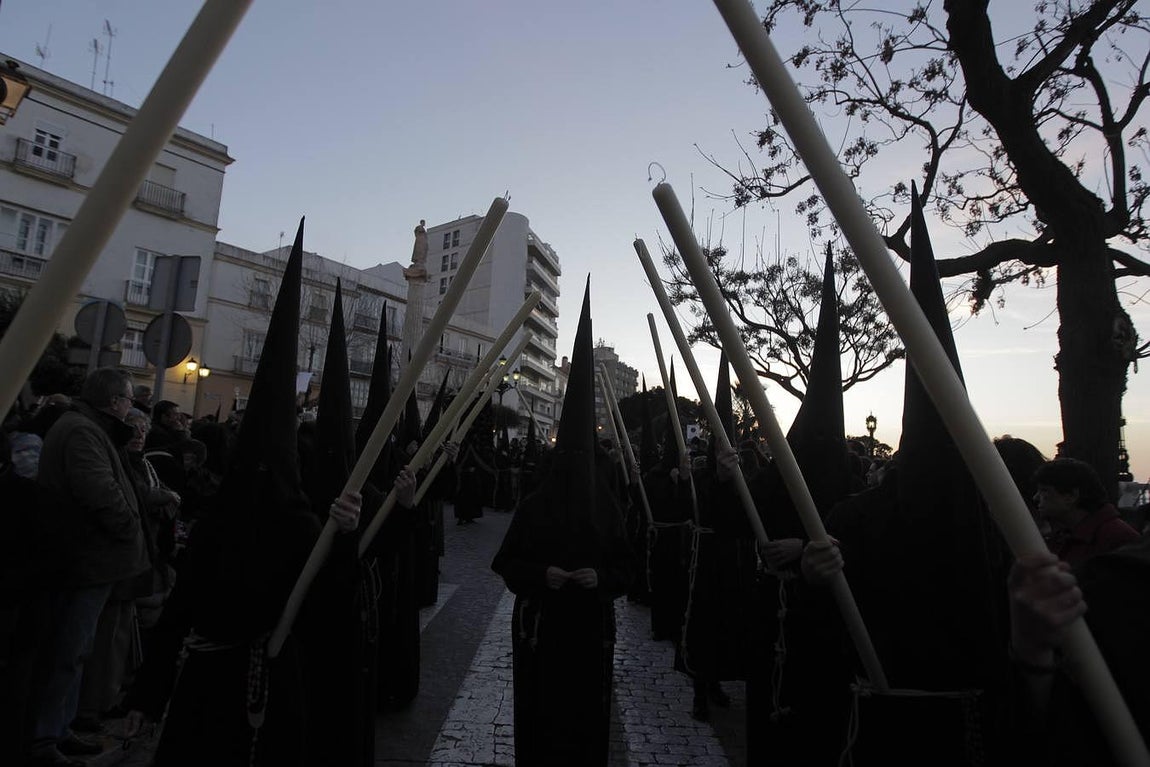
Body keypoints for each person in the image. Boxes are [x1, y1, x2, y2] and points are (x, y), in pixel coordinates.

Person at [492, 279, 633, 766]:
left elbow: (626, 568)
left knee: (585, 720)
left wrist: (602, 580)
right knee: (541, 715)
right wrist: (541, 576)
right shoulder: (535, 505)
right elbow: (506, 563)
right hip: (541, 629)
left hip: (590, 630)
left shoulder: (607, 508)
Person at [24, 367, 150, 767]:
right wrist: (130, 525)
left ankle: (58, 729)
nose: (130, 407)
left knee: (75, 651)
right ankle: (45, 738)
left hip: (89, 561)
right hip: (83, 561)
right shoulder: (82, 431)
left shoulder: (86, 427)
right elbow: (100, 492)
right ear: (114, 401)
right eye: (128, 399)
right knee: (68, 651)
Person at [1033, 458, 1139, 567]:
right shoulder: (1064, 535)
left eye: (1044, 490)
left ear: (1071, 496)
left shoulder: (1117, 539)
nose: (1036, 497)